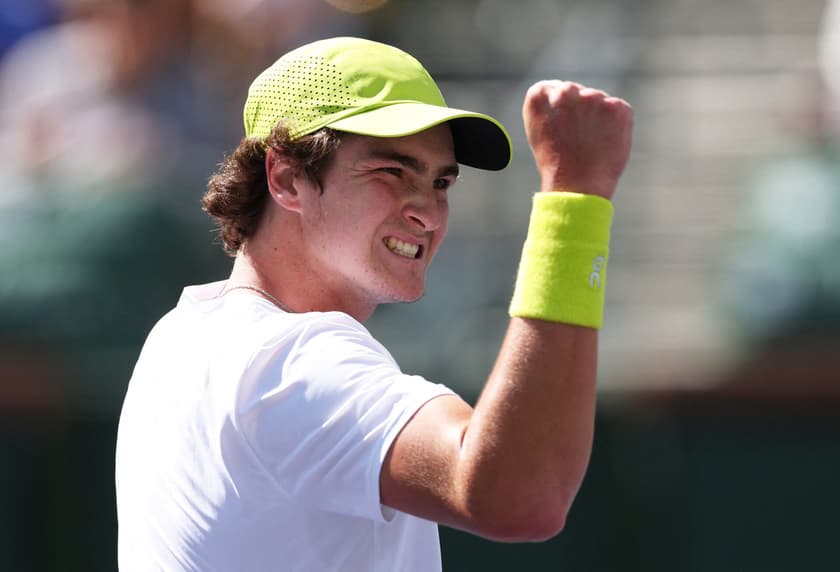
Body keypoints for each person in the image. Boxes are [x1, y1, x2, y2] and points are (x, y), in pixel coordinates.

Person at [115, 36, 632, 571]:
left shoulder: (182, 332)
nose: (428, 213)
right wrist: (576, 197)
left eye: (441, 182)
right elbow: (521, 495)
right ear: (287, 178)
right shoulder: (289, 359)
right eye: (392, 172)